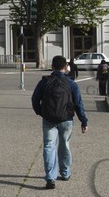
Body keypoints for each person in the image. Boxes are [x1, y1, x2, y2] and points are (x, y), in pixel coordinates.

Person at [31, 55, 88, 189]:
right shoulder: (71, 83)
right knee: (65, 145)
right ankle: (65, 172)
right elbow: (78, 104)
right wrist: (83, 121)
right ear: (66, 67)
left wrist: (41, 112)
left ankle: (50, 177)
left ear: (52, 66)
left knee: (48, 146)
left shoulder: (44, 82)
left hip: (49, 118)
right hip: (66, 119)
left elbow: (34, 99)